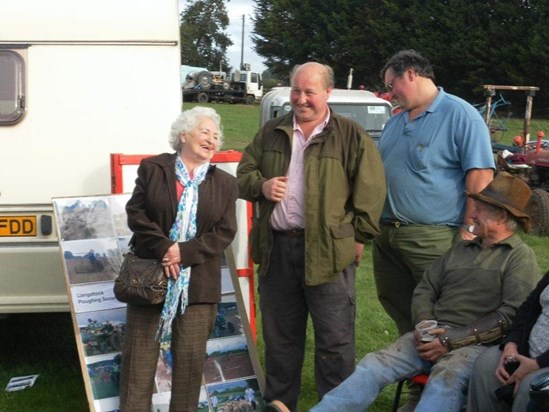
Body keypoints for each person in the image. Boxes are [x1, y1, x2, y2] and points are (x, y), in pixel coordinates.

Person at [311, 172, 540, 412]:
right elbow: (426, 288)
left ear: (501, 215)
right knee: (374, 364)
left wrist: (452, 339)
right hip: (431, 336)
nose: (472, 214)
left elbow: (511, 314)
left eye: (479, 209)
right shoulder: (461, 249)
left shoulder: (519, 257)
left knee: (445, 378)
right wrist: (424, 325)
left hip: (477, 347)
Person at [236, 62, 386, 410]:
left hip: (328, 255)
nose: (301, 99)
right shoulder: (271, 132)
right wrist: (262, 184)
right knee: (280, 341)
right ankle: (278, 405)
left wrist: (357, 238)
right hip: (277, 251)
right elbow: (242, 174)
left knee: (335, 342)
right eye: (295, 91)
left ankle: (335, 406)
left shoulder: (350, 135)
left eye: (309, 92)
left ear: (328, 93)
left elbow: (371, 192)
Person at [119, 106, 238, 412]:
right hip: (149, 280)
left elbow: (225, 232)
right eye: (204, 132)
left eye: (216, 135)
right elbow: (137, 213)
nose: (211, 139)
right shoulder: (153, 169)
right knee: (138, 363)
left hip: (198, 287)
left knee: (188, 366)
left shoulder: (225, 183)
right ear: (183, 135)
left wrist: (182, 253)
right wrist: (165, 248)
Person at [467, 270, 549, 412]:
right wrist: (511, 344)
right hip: (526, 350)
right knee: (486, 364)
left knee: (530, 386)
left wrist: (537, 363)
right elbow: (528, 307)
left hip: (544, 363)